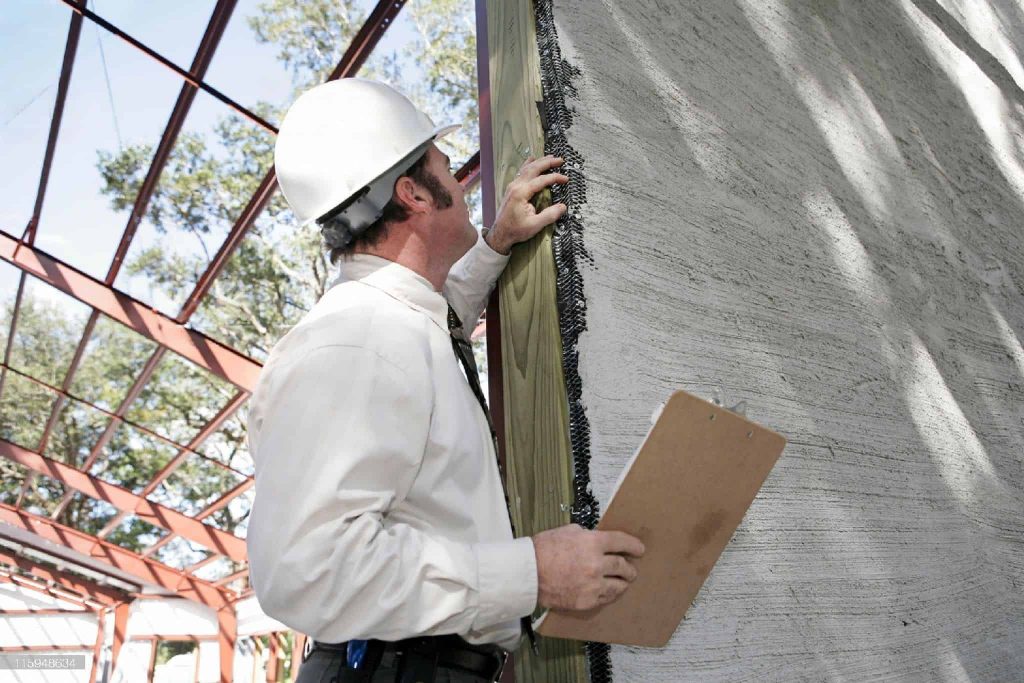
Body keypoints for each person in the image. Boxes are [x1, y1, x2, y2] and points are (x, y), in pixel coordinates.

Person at [246, 78, 644, 683]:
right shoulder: (356, 342)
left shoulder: (392, 330)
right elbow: (308, 569)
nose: (462, 184)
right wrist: (533, 572)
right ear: (414, 192)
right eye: (447, 168)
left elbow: (435, 326)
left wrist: (496, 244)